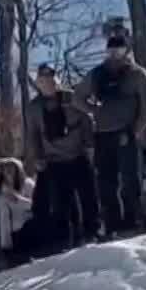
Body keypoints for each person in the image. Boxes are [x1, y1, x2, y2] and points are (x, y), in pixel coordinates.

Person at [76, 34, 146, 236]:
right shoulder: (97, 74)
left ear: (127, 51)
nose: (114, 55)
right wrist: (93, 110)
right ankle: (112, 224)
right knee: (105, 183)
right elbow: (78, 97)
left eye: (118, 50)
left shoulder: (138, 75)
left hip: (126, 132)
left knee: (130, 180)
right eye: (111, 51)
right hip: (102, 133)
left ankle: (133, 221)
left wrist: (135, 129)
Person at [23, 64, 98, 250]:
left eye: (51, 79)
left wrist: (89, 146)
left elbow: (87, 120)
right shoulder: (33, 108)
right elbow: (33, 134)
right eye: (43, 80)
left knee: (88, 197)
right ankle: (65, 241)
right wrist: (38, 157)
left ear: (56, 80)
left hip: (78, 155)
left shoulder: (72, 98)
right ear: (38, 83)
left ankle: (92, 234)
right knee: (61, 204)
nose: (47, 83)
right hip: (54, 160)